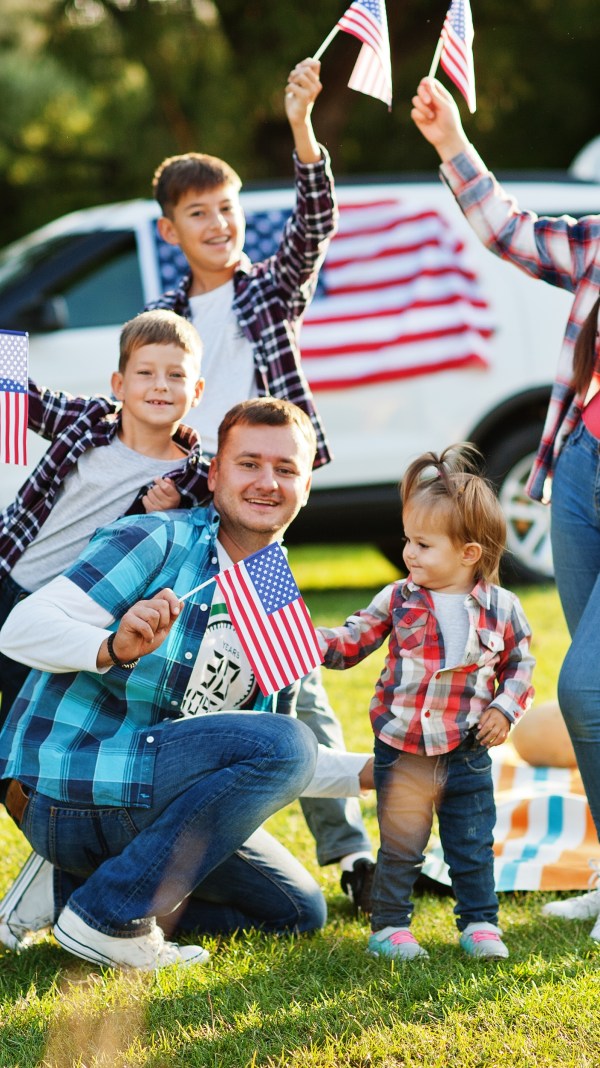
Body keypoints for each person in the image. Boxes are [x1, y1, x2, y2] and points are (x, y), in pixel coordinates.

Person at [0, 398, 372, 970]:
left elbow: (273, 762)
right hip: (71, 792)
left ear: (306, 486)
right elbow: (19, 629)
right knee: (285, 741)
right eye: (249, 464)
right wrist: (110, 646)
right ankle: (108, 916)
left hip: (161, 798)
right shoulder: (157, 539)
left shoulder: (274, 592)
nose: (268, 482)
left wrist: (375, 772)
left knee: (297, 911)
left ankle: (64, 895)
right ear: (216, 472)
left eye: (287, 469)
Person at [147, 56, 375, 904]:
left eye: (229, 210)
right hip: (190, 518)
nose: (219, 225)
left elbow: (312, 227)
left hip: (254, 514)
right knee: (189, 671)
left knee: (288, 670)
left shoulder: (266, 297)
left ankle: (351, 852)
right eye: (199, 214)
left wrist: (302, 127)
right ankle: (162, 826)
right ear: (170, 230)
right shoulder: (166, 319)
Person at [411, 76, 600, 938]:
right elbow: (511, 232)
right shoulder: (598, 242)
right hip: (585, 469)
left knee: (587, 689)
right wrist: (453, 141)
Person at [317, 446, 535, 961]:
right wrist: (307, 639)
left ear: (468, 554)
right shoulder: (397, 598)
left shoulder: (503, 608)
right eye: (408, 540)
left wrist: (503, 709)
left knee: (471, 842)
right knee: (402, 844)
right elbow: (352, 641)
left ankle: (480, 923)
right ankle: (389, 928)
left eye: (423, 544)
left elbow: (520, 666)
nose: (409, 553)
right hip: (404, 746)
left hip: (465, 749)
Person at [0, 308, 207, 723]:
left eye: (176, 376)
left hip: (60, 613)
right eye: (145, 373)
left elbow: (195, 552)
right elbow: (23, 396)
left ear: (197, 390)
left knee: (17, 722)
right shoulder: (89, 420)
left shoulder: (193, 479)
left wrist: (168, 514)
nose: (160, 386)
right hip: (6, 570)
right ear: (119, 384)